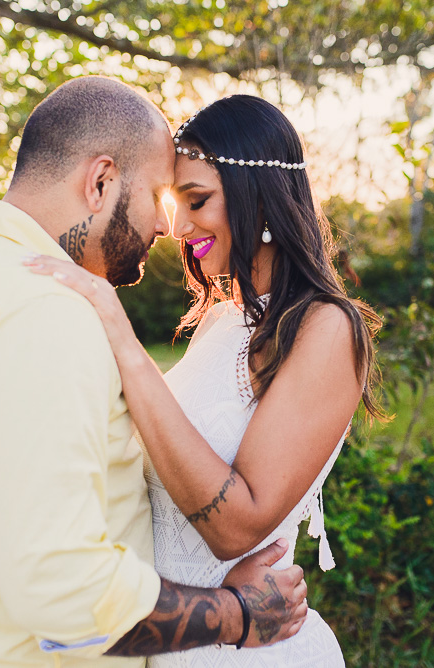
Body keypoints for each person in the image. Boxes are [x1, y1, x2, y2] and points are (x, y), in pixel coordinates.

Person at [0, 78, 308, 667]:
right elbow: (66, 592)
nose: (166, 228)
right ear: (101, 181)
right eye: (158, 194)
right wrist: (236, 614)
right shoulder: (43, 311)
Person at [24, 94, 384, 667]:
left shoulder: (325, 329)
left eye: (197, 201)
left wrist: (123, 342)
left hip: (247, 653)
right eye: (174, 202)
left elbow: (236, 525)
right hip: (177, 640)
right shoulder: (224, 318)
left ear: (258, 199)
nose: (177, 226)